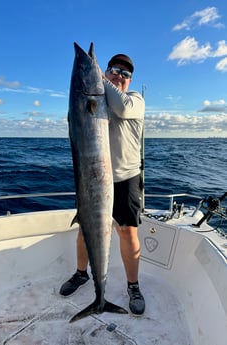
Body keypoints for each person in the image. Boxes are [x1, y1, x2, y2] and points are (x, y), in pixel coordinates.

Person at [60, 53, 145, 315]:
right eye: (114, 70)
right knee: (86, 228)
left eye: (125, 73)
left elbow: (121, 107)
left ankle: (133, 286)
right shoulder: (96, 100)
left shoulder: (135, 101)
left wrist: (97, 77)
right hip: (93, 178)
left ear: (130, 81)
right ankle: (82, 274)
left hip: (125, 178)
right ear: (105, 72)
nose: (119, 76)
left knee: (127, 232)